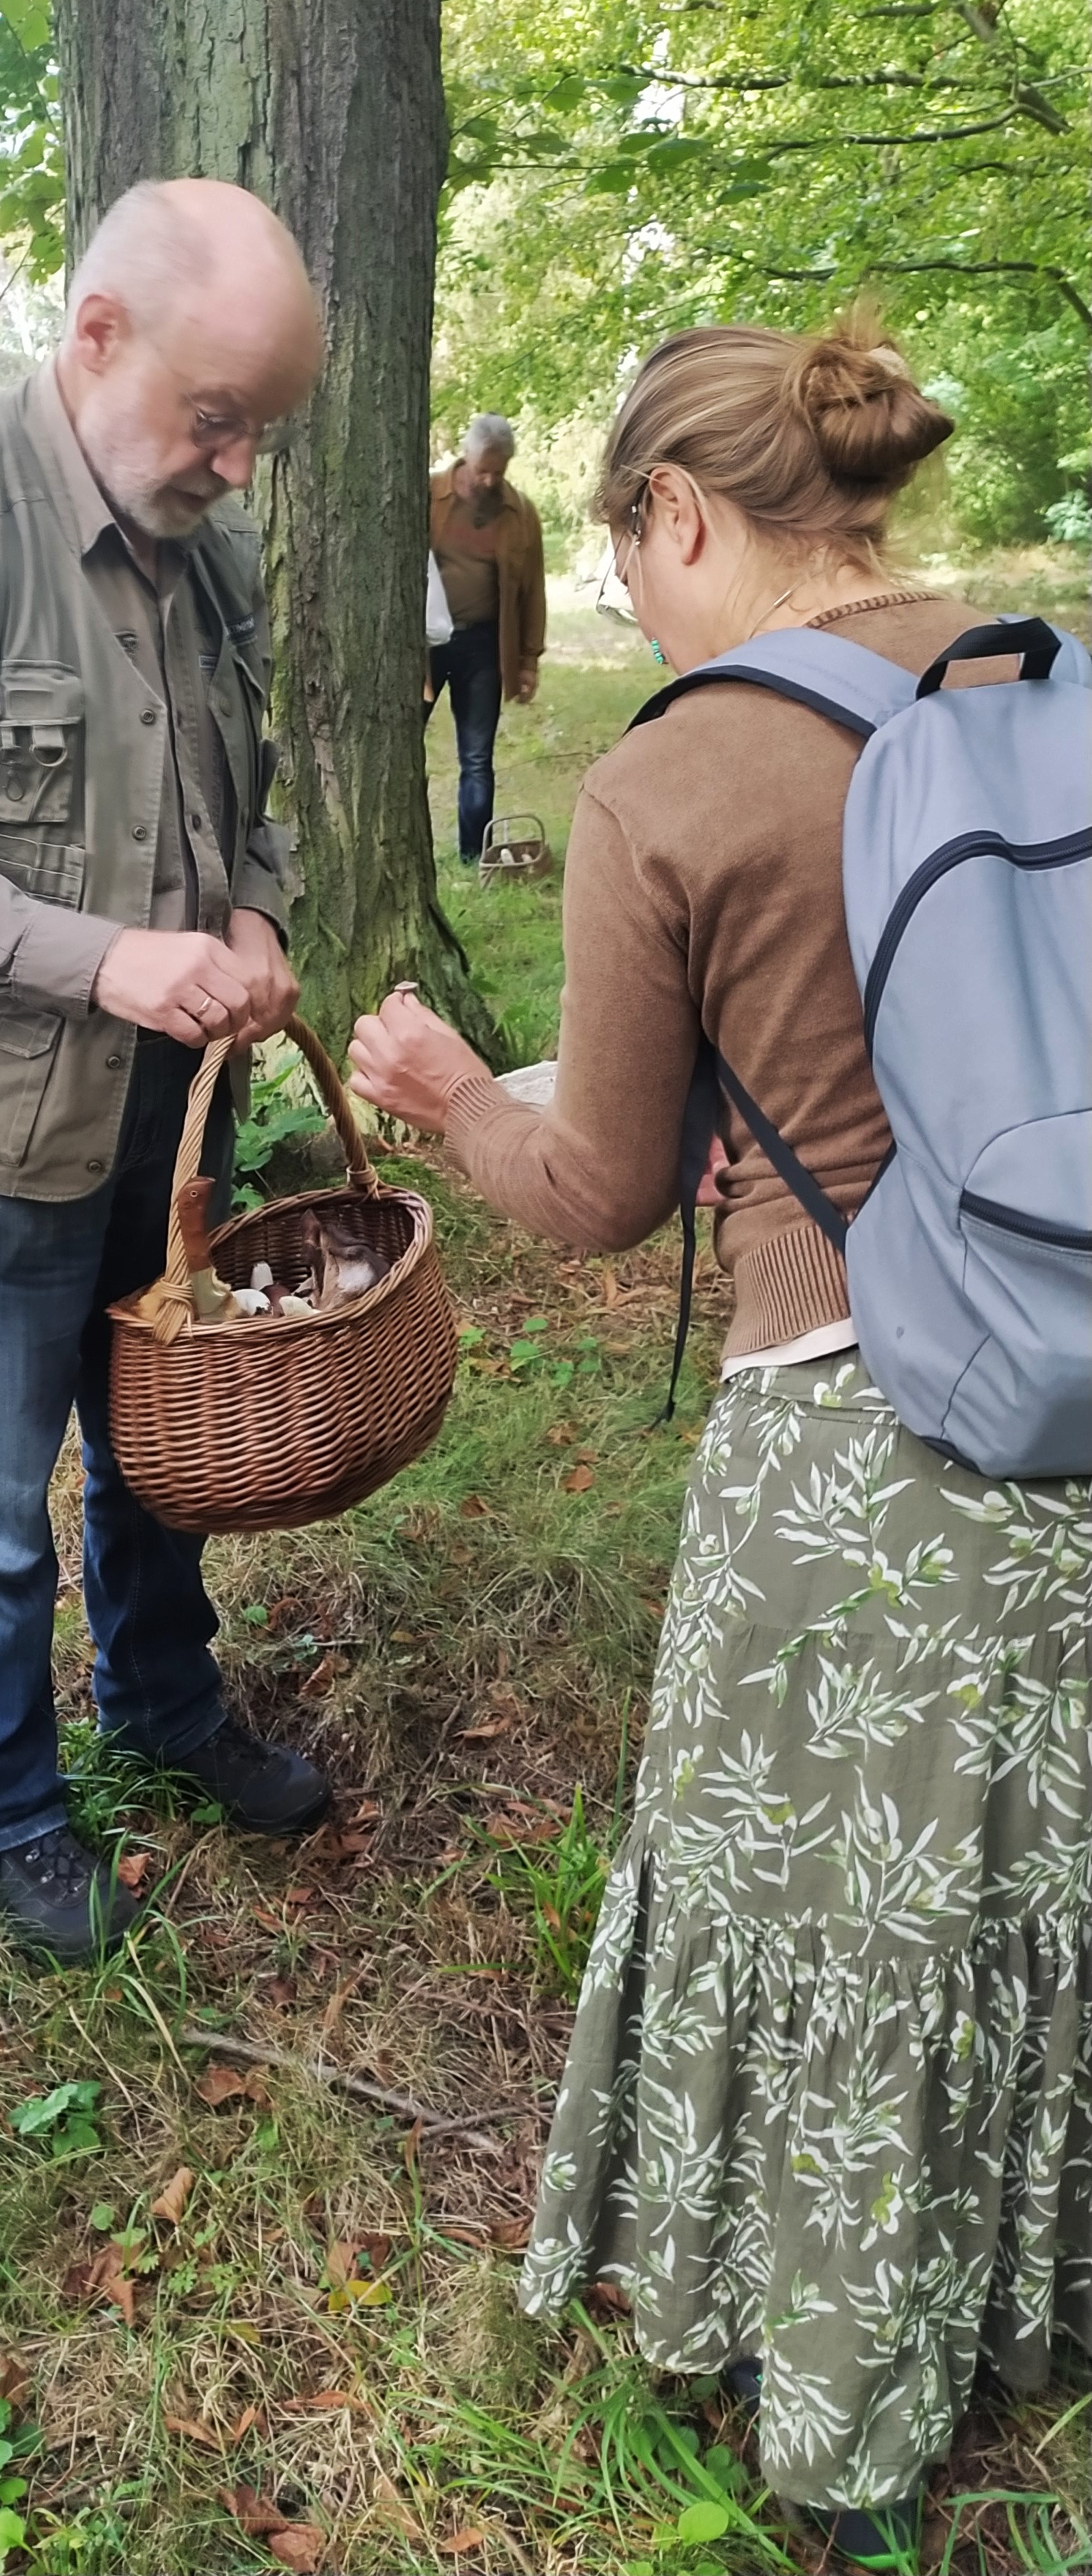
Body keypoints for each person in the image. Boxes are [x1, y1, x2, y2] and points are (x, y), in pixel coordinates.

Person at [350, 319, 1092, 2569]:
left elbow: (587, 1191)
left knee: (827, 1935)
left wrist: (438, 1094)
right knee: (1014, 1905)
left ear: (678, 513)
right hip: (1070, 1364)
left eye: (623, 552)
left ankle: (837, 2411)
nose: (622, 606)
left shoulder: (664, 787)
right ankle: (1024, 2299)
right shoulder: (1037, 664)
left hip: (853, 1438)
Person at [0, 180, 330, 1967]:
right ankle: (5, 1803)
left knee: (162, 1448)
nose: (240, 465)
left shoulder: (209, 546)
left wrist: (251, 915)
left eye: (264, 429)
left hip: (172, 1117)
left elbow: (250, 791)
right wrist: (109, 960)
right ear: (96, 337)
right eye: (218, 415)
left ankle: (162, 1714)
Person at [427, 414, 546, 864]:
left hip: (484, 648)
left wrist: (528, 659)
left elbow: (533, 588)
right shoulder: (428, 496)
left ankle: (473, 857)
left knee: (477, 759)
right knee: (399, 751)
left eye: (499, 470)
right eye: (482, 469)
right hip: (425, 649)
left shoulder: (519, 514)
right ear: (466, 456)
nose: (490, 479)